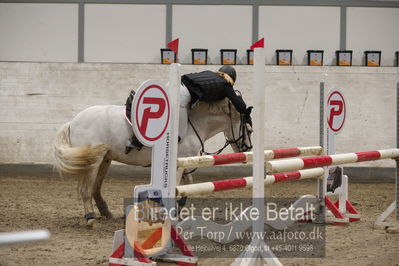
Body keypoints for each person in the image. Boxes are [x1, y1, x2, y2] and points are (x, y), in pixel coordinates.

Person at [178, 65, 249, 139]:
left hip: (174, 84)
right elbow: (242, 108)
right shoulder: (226, 85)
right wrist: (237, 96)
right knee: (181, 136)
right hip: (181, 95)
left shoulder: (209, 74)